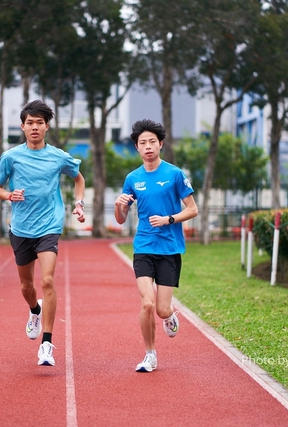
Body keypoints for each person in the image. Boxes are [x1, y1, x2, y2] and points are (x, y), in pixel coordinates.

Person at [0, 99, 86, 367]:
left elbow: (78, 178)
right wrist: (9, 194)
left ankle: (47, 344)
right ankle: (35, 310)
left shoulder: (58, 157)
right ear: (22, 126)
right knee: (27, 286)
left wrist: (79, 204)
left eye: (39, 123)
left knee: (48, 281)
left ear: (47, 127)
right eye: (30, 123)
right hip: (21, 228)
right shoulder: (11, 157)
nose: (34, 127)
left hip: (49, 226)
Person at [114, 119, 198, 373]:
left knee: (161, 309)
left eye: (152, 141)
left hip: (170, 249)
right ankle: (150, 354)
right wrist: (119, 206)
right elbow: (120, 219)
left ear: (160, 144)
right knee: (147, 304)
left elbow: (193, 209)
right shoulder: (132, 178)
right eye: (142, 143)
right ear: (137, 149)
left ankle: (170, 314)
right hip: (143, 246)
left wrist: (169, 219)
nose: (148, 146)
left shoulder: (174, 174)